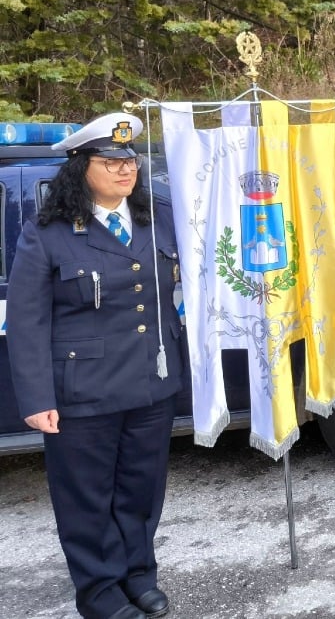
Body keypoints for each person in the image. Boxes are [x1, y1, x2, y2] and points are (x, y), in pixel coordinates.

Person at [6, 113, 184, 619]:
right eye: (112, 162)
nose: (126, 171)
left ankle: (137, 574)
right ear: (81, 167)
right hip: (83, 391)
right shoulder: (49, 234)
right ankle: (100, 590)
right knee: (87, 498)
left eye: (130, 161)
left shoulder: (158, 218)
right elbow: (27, 320)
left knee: (142, 488)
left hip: (152, 383)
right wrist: (38, 399)